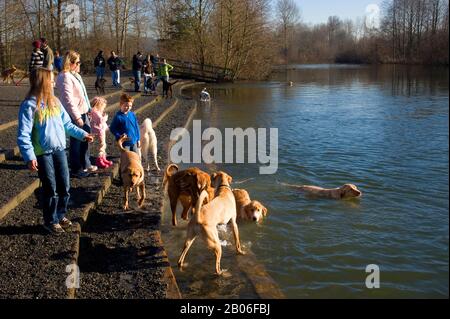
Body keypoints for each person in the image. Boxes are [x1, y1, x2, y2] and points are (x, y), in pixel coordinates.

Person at [17, 67, 94, 234]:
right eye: (51, 80)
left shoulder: (56, 102)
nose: (54, 82)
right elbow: (23, 134)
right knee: (50, 187)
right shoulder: (29, 105)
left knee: (64, 185)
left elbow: (67, 125)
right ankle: (50, 220)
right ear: (42, 82)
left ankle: (60, 215)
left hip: (59, 150)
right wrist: (29, 156)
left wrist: (83, 134)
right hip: (42, 153)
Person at [56, 50, 97, 178]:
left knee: (85, 139)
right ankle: (76, 168)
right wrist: (77, 117)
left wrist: (88, 108)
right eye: (78, 62)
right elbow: (68, 100)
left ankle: (85, 163)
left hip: (83, 111)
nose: (80, 64)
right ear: (71, 63)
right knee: (76, 142)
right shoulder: (64, 77)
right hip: (75, 114)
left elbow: (82, 95)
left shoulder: (74, 75)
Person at [90, 97, 113, 169]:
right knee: (101, 145)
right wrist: (105, 118)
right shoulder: (94, 112)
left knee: (103, 145)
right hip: (98, 131)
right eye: (103, 107)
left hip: (101, 131)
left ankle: (103, 158)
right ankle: (99, 160)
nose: (103, 109)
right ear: (99, 105)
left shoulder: (97, 112)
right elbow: (100, 121)